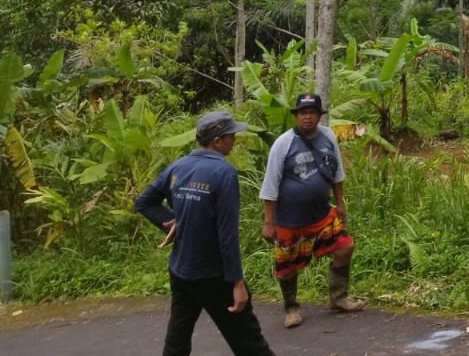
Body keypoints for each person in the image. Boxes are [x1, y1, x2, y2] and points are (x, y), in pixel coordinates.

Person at [134, 110, 275, 356]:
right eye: (231, 135)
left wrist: (173, 221)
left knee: (176, 343)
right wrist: (237, 283)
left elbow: (144, 202)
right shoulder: (224, 173)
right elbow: (227, 235)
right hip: (214, 276)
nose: (235, 139)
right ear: (217, 140)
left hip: (181, 272)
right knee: (250, 345)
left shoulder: (179, 166)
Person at [259, 92, 363, 328]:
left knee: (345, 247)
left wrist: (340, 203)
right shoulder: (283, 143)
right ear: (296, 116)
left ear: (319, 116)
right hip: (288, 220)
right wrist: (269, 221)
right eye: (303, 113)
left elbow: (336, 173)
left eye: (312, 113)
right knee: (286, 268)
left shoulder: (328, 137)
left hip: (321, 215)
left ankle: (339, 298)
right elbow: (270, 185)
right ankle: (291, 308)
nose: (307, 117)